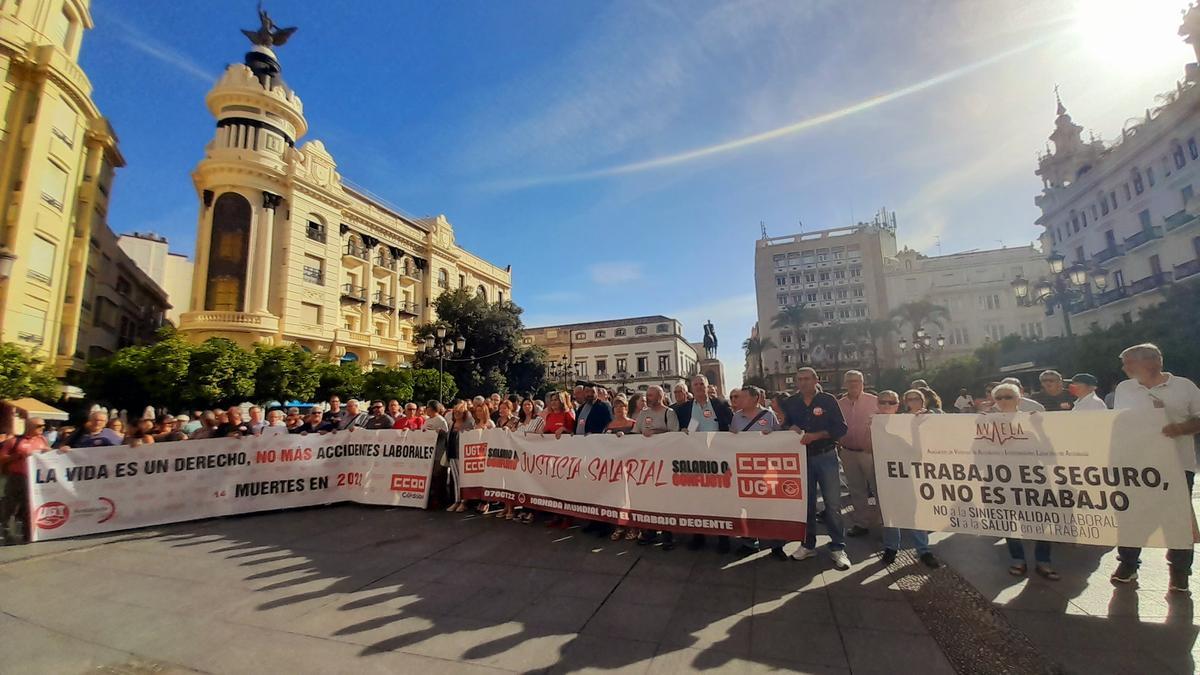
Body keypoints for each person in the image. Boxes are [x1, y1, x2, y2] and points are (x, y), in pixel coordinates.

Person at [1111, 343, 1199, 592]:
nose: (1123, 368)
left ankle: (1180, 572)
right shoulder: (1125, 388)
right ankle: (1128, 565)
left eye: (1128, 362)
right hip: (1136, 466)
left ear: (1150, 363)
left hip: (1178, 465)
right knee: (1131, 517)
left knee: (1178, 521)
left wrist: (1179, 428)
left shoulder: (1184, 387)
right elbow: (1119, 423)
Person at [784, 367, 850, 569]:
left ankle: (838, 547)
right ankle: (808, 545)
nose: (802, 382)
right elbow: (787, 423)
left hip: (826, 456)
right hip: (802, 459)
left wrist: (818, 435)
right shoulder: (792, 402)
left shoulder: (828, 400)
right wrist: (789, 427)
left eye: (806, 379)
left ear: (815, 380)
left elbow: (841, 428)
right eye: (799, 379)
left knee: (832, 504)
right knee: (807, 505)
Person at [991, 382, 1057, 580]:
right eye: (999, 397)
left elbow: (1050, 455)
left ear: (1019, 399)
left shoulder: (1033, 420)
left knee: (1042, 523)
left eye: (1008, 397)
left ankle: (1043, 562)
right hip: (1003, 481)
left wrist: (1039, 430)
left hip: (1034, 480)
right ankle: (1017, 559)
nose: (1003, 401)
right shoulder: (985, 423)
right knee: (1008, 523)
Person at [874, 392, 940, 568]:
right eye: (883, 402)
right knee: (889, 512)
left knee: (915, 511)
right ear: (877, 404)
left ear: (897, 405)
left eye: (891, 402)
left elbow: (921, 447)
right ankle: (891, 548)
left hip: (910, 472)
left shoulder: (909, 420)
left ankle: (923, 550)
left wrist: (920, 423)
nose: (887, 405)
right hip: (886, 472)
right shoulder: (874, 423)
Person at [837, 371, 879, 538]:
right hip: (847, 453)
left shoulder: (874, 401)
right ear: (845, 384)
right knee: (856, 490)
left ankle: (885, 522)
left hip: (870, 453)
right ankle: (862, 523)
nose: (854, 384)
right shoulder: (839, 404)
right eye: (850, 381)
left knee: (878, 488)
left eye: (857, 381)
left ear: (863, 382)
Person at [0, 418, 52, 543]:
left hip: (34, 478)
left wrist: (49, 453)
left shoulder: (42, 440)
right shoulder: (14, 441)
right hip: (17, 477)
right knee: (10, 506)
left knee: (29, 506)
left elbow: (50, 456)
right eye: (39, 426)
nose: (42, 428)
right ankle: (6, 532)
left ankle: (27, 533)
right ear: (29, 426)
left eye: (43, 426)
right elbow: (2, 457)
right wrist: (17, 456)